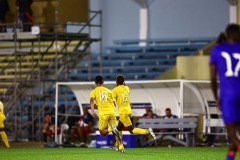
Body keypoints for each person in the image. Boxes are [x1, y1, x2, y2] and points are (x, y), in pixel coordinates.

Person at [210, 23, 240, 160]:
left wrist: (216, 97)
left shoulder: (217, 50)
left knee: (233, 135)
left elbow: (212, 78)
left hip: (228, 96)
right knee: (233, 139)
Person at [112, 75, 156, 144]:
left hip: (123, 112)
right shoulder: (127, 88)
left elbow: (113, 101)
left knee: (127, 130)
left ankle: (147, 131)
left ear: (116, 82)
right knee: (121, 129)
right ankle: (118, 145)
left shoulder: (115, 90)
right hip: (128, 111)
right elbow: (124, 89)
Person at [90, 75, 125, 153]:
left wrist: (92, 110)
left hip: (103, 114)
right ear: (103, 82)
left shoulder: (94, 91)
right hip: (112, 113)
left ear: (95, 83)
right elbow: (114, 103)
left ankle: (110, 128)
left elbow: (92, 100)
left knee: (102, 132)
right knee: (115, 131)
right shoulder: (109, 91)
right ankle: (121, 147)